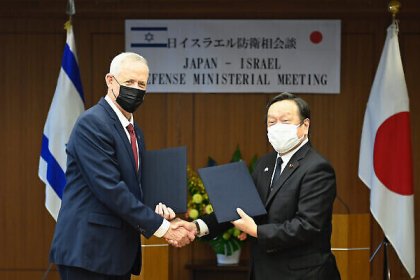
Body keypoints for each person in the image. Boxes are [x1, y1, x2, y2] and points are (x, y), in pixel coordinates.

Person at [49, 52, 194, 280]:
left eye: (142, 84)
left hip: (115, 255)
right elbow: (110, 188)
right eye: (128, 82)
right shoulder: (93, 123)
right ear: (110, 81)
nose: (135, 89)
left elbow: (133, 187)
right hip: (90, 253)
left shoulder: (135, 132)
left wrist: (158, 208)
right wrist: (164, 228)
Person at [174, 92, 341, 280]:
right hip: (263, 272)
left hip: (304, 274)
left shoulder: (317, 168)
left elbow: (308, 226)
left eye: (285, 121)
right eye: (271, 122)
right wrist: (197, 227)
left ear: (305, 126)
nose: (277, 127)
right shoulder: (265, 163)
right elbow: (239, 206)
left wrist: (256, 231)